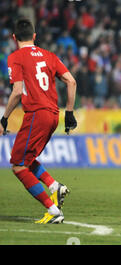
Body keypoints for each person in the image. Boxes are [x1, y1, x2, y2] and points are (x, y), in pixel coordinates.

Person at [0, 18, 77, 224]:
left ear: (14, 37)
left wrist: (4, 118)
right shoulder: (49, 55)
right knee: (26, 156)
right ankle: (54, 186)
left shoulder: (15, 57)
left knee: (17, 165)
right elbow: (71, 81)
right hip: (53, 115)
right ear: (34, 36)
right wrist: (69, 113)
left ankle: (53, 211)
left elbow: (17, 92)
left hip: (36, 113)